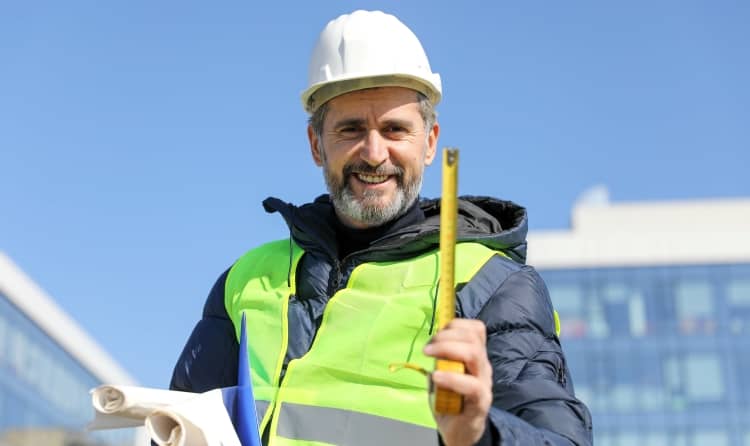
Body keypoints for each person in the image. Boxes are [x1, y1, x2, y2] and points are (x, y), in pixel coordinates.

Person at [171, 10, 592, 446]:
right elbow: (175, 427)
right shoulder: (245, 279)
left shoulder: (491, 284)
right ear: (317, 145)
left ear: (430, 143)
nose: (374, 154)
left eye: (395, 129)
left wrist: (479, 434)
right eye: (351, 129)